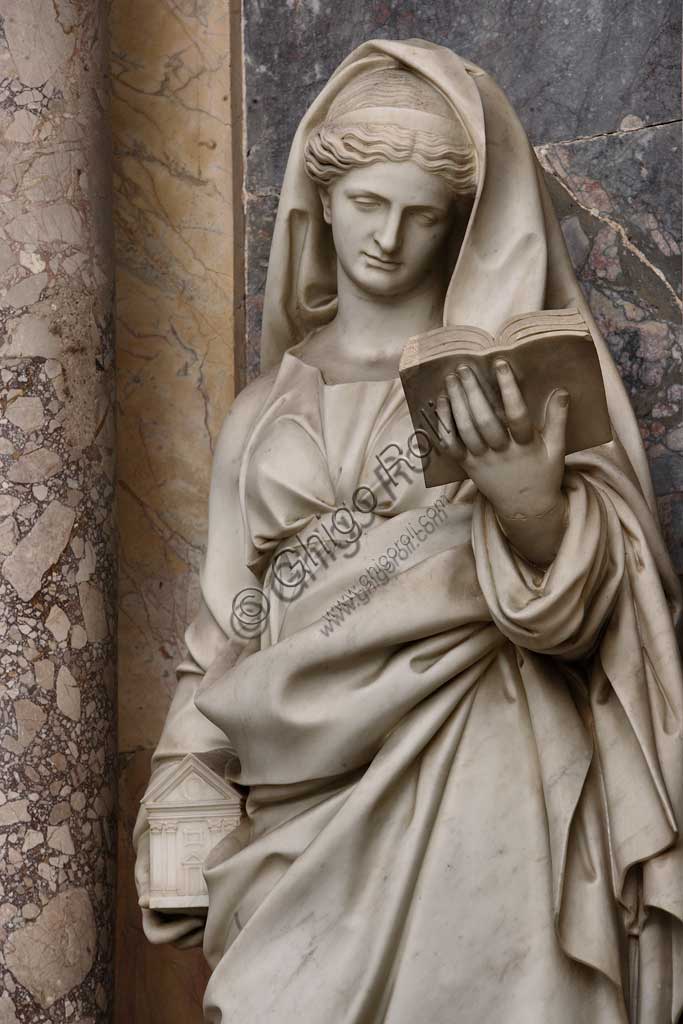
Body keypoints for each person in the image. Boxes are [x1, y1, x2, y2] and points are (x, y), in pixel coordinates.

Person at [134, 39, 683, 1023]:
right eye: (365, 205)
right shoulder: (263, 411)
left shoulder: (519, 385)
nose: (385, 238)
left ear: (458, 225)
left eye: (419, 215)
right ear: (322, 201)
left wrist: (527, 508)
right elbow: (222, 629)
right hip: (298, 799)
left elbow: (607, 629)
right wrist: (180, 792)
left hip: (483, 774)